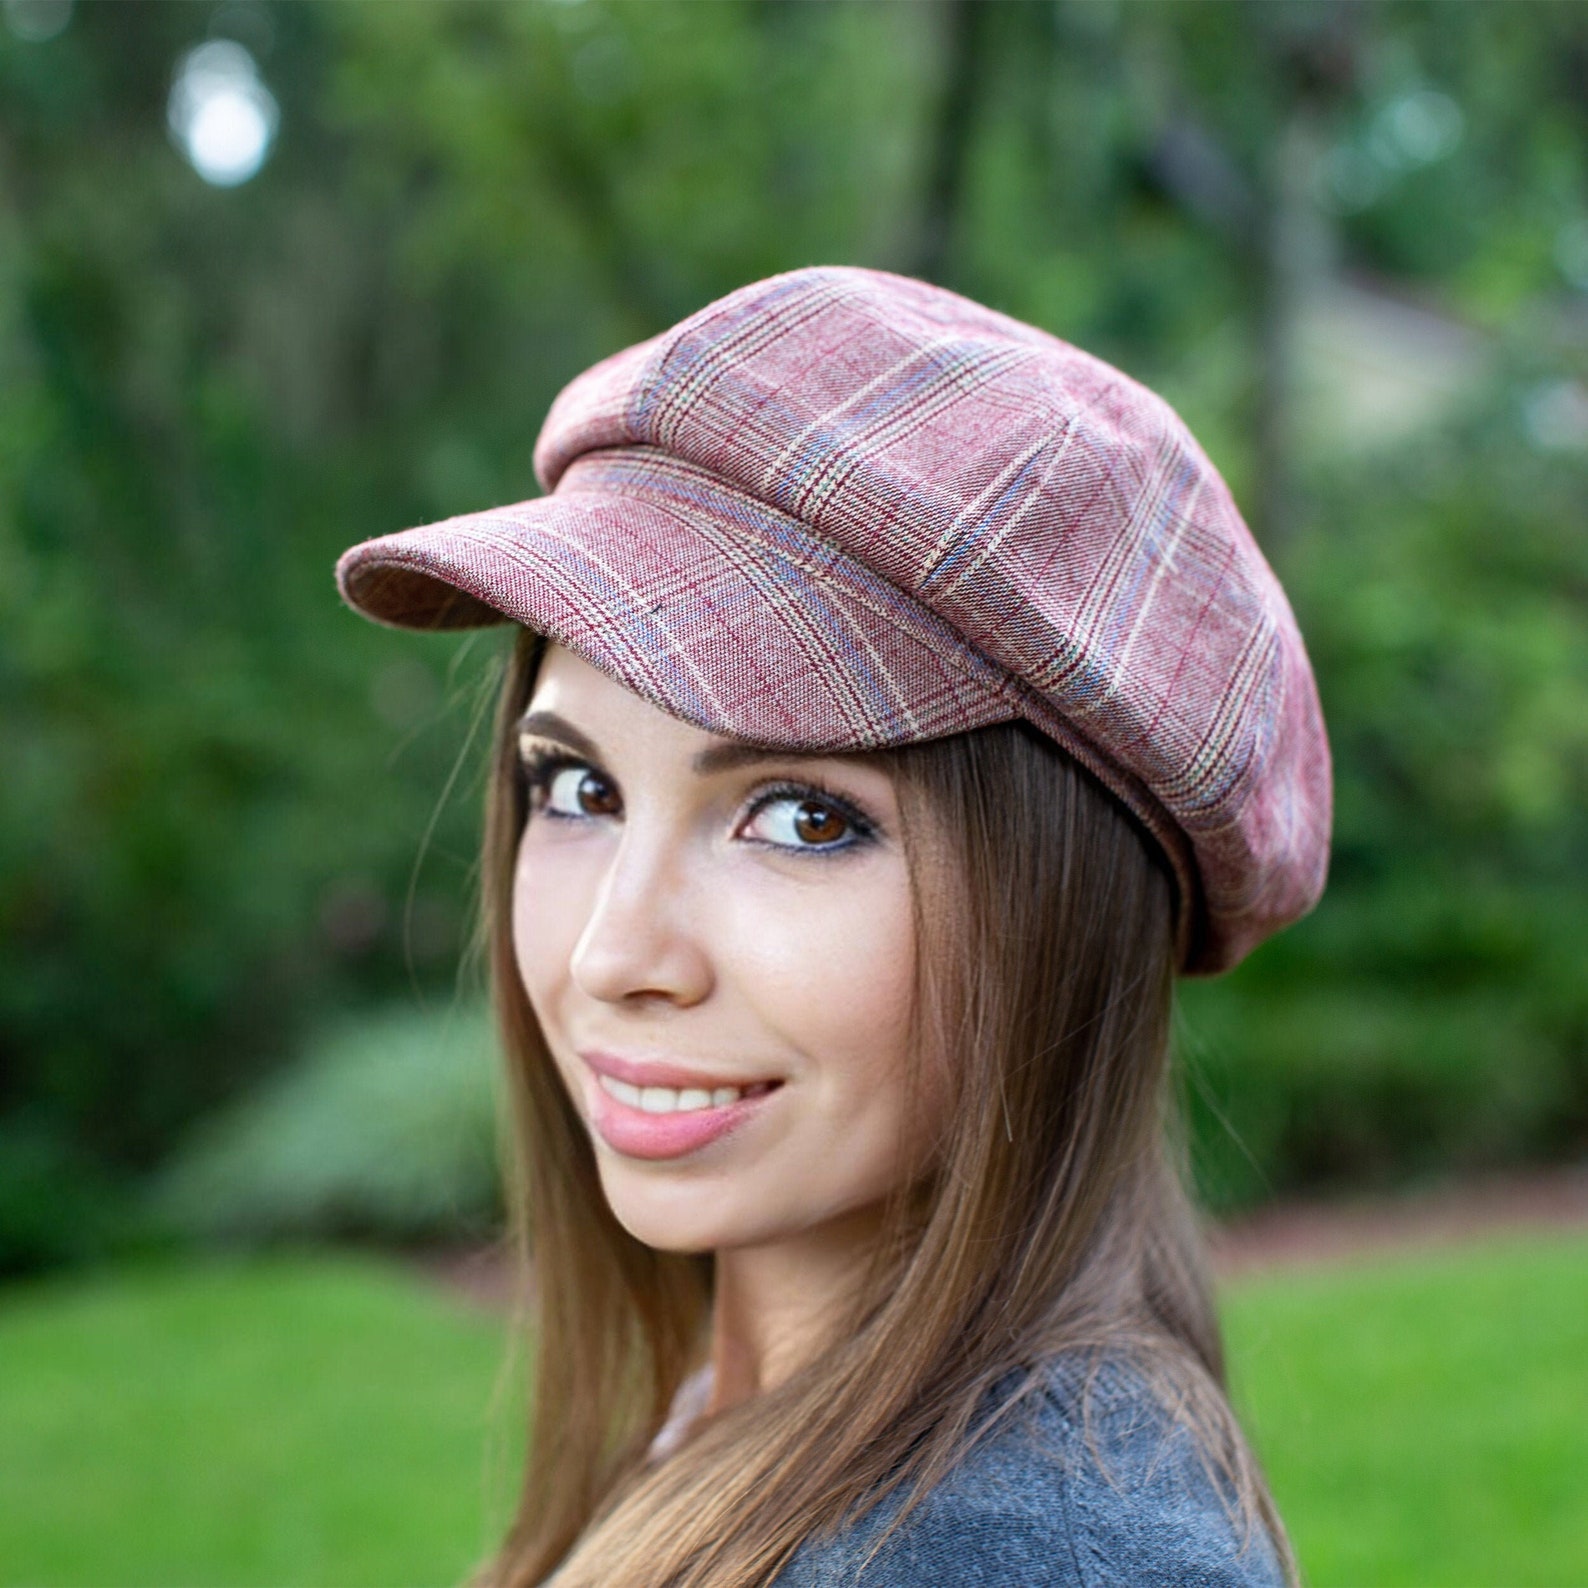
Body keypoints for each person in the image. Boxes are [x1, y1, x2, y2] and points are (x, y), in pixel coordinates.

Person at [336, 267, 1331, 1588]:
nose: (612, 957)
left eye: (801, 818)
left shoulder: (1017, 1557)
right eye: (577, 790)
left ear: (1067, 914)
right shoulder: (758, 1421)